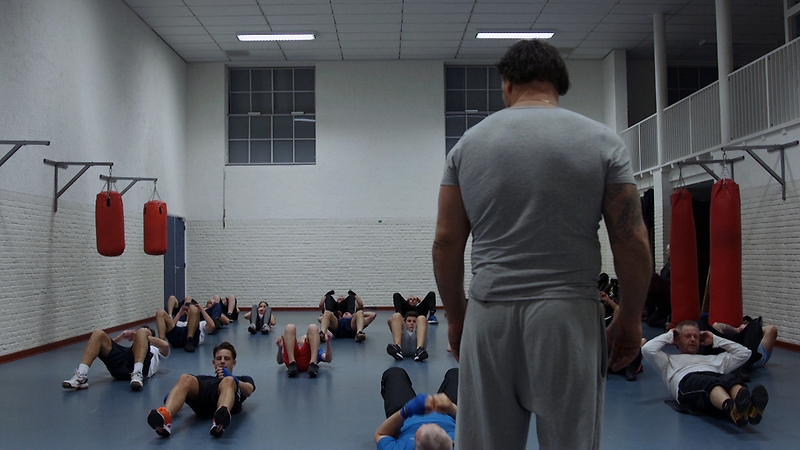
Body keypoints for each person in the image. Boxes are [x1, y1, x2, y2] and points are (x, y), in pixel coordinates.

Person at [432, 39, 652, 448]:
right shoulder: (602, 142)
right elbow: (631, 240)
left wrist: (458, 319)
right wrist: (630, 317)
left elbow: (446, 243)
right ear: (559, 83)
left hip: (490, 315)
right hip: (567, 318)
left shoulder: (466, 147)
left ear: (507, 84)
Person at [642, 320, 769, 427]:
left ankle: (750, 408)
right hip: (686, 379)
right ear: (677, 339)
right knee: (709, 382)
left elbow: (745, 353)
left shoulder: (713, 359)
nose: (692, 339)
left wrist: (715, 339)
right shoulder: (668, 361)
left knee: (730, 379)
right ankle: (731, 408)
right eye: (687, 336)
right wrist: (670, 335)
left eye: (696, 336)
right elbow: (647, 349)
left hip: (713, 373)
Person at [147, 341, 255, 438]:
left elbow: (249, 390)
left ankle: (220, 418)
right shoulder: (205, 379)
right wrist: (177, 393)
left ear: (234, 363)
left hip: (228, 397)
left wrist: (233, 379)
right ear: (213, 362)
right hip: (204, 401)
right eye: (219, 358)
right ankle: (165, 419)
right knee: (185, 378)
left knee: (228, 381)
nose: (222, 362)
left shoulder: (241, 379)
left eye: (227, 359)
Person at [62, 326, 169, 391]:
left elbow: (165, 345)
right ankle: (81, 376)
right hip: (123, 359)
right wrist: (121, 337)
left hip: (140, 365)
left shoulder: (155, 350)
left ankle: (137, 373)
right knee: (98, 333)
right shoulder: (133, 348)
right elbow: (101, 345)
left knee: (141, 331)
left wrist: (144, 335)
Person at [375, 367, 458, 450]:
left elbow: (381, 434)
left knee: (394, 373)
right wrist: (452, 408)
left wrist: (405, 411)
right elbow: (467, 424)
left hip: (405, 419)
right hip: (449, 414)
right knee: (457, 374)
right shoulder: (462, 445)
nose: (425, 422)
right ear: (452, 442)